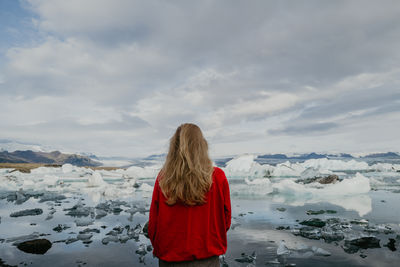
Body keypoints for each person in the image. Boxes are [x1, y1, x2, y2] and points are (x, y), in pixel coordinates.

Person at [148, 123, 231, 267]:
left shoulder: (163, 178)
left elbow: (154, 223)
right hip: (208, 259)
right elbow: (226, 219)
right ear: (202, 146)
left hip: (170, 259)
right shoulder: (218, 177)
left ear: (174, 148)